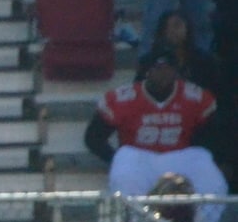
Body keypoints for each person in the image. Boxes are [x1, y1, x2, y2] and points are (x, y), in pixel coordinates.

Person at [88, 45, 227, 194]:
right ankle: (136, 217)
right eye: (159, 68)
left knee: (212, 180)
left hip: (181, 156)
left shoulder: (195, 97)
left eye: (169, 68)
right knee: (125, 169)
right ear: (147, 71)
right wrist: (115, 159)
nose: (164, 73)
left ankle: (202, 217)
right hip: (138, 158)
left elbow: (214, 135)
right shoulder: (122, 98)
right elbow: (93, 138)